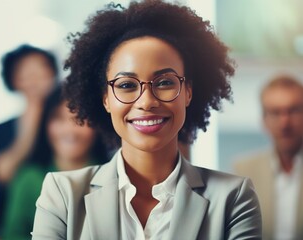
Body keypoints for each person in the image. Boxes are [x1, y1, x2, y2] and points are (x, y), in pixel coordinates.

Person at [32, 1, 262, 239]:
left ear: (188, 92)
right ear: (106, 99)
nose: (146, 101)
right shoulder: (63, 195)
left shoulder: (233, 197)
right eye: (127, 85)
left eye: (164, 82)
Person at [1, 87, 108, 240]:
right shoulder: (29, 179)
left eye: (81, 118)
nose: (69, 130)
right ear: (45, 124)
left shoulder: (113, 176)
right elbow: (12, 235)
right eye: (59, 118)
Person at [0, 44, 58, 228]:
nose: (34, 79)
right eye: (25, 73)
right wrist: (31, 120)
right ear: (13, 80)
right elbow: (5, 174)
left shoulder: (64, 126)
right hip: (13, 221)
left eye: (40, 70)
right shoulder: (2, 128)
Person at [234, 75, 303, 239]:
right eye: (275, 112)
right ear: (264, 120)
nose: (285, 123)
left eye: (293, 111)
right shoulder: (243, 172)